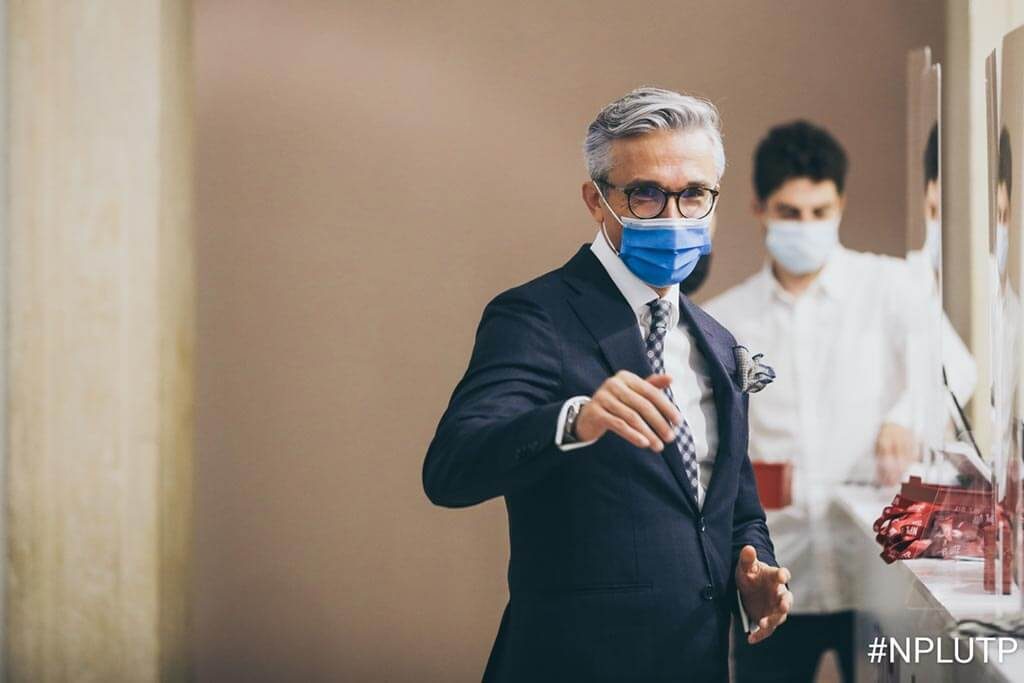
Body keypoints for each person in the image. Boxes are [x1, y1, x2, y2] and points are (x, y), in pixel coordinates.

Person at [423, 87, 792, 682]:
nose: (674, 217)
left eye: (694, 194)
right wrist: (576, 419)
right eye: (646, 194)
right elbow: (451, 468)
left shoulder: (718, 342)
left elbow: (735, 508)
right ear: (597, 201)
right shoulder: (536, 317)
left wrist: (754, 573)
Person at [705, 120, 974, 682]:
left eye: (820, 211)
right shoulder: (727, 321)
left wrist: (904, 418)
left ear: (840, 205)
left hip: (877, 575)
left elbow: (958, 371)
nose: (806, 225)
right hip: (780, 577)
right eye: (790, 212)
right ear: (758, 209)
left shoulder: (893, 286)